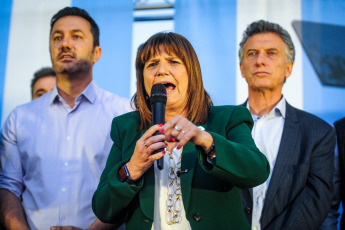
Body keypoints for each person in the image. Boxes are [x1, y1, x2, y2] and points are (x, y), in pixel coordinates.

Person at [92, 32, 270, 230]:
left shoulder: (228, 118)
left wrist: (205, 140)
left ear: (191, 73)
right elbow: (103, 209)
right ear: (142, 80)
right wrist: (132, 168)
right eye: (152, 65)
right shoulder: (125, 128)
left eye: (173, 61)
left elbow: (257, 171)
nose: (161, 70)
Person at [0, 7, 131, 230]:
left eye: (76, 36)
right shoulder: (19, 119)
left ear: (96, 53)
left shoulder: (124, 113)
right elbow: (8, 187)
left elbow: (129, 185)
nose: (65, 44)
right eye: (57, 37)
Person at [239, 20, 336, 230]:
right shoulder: (218, 126)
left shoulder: (318, 133)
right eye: (252, 53)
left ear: (289, 68)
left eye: (271, 53)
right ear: (242, 68)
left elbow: (315, 202)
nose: (260, 61)